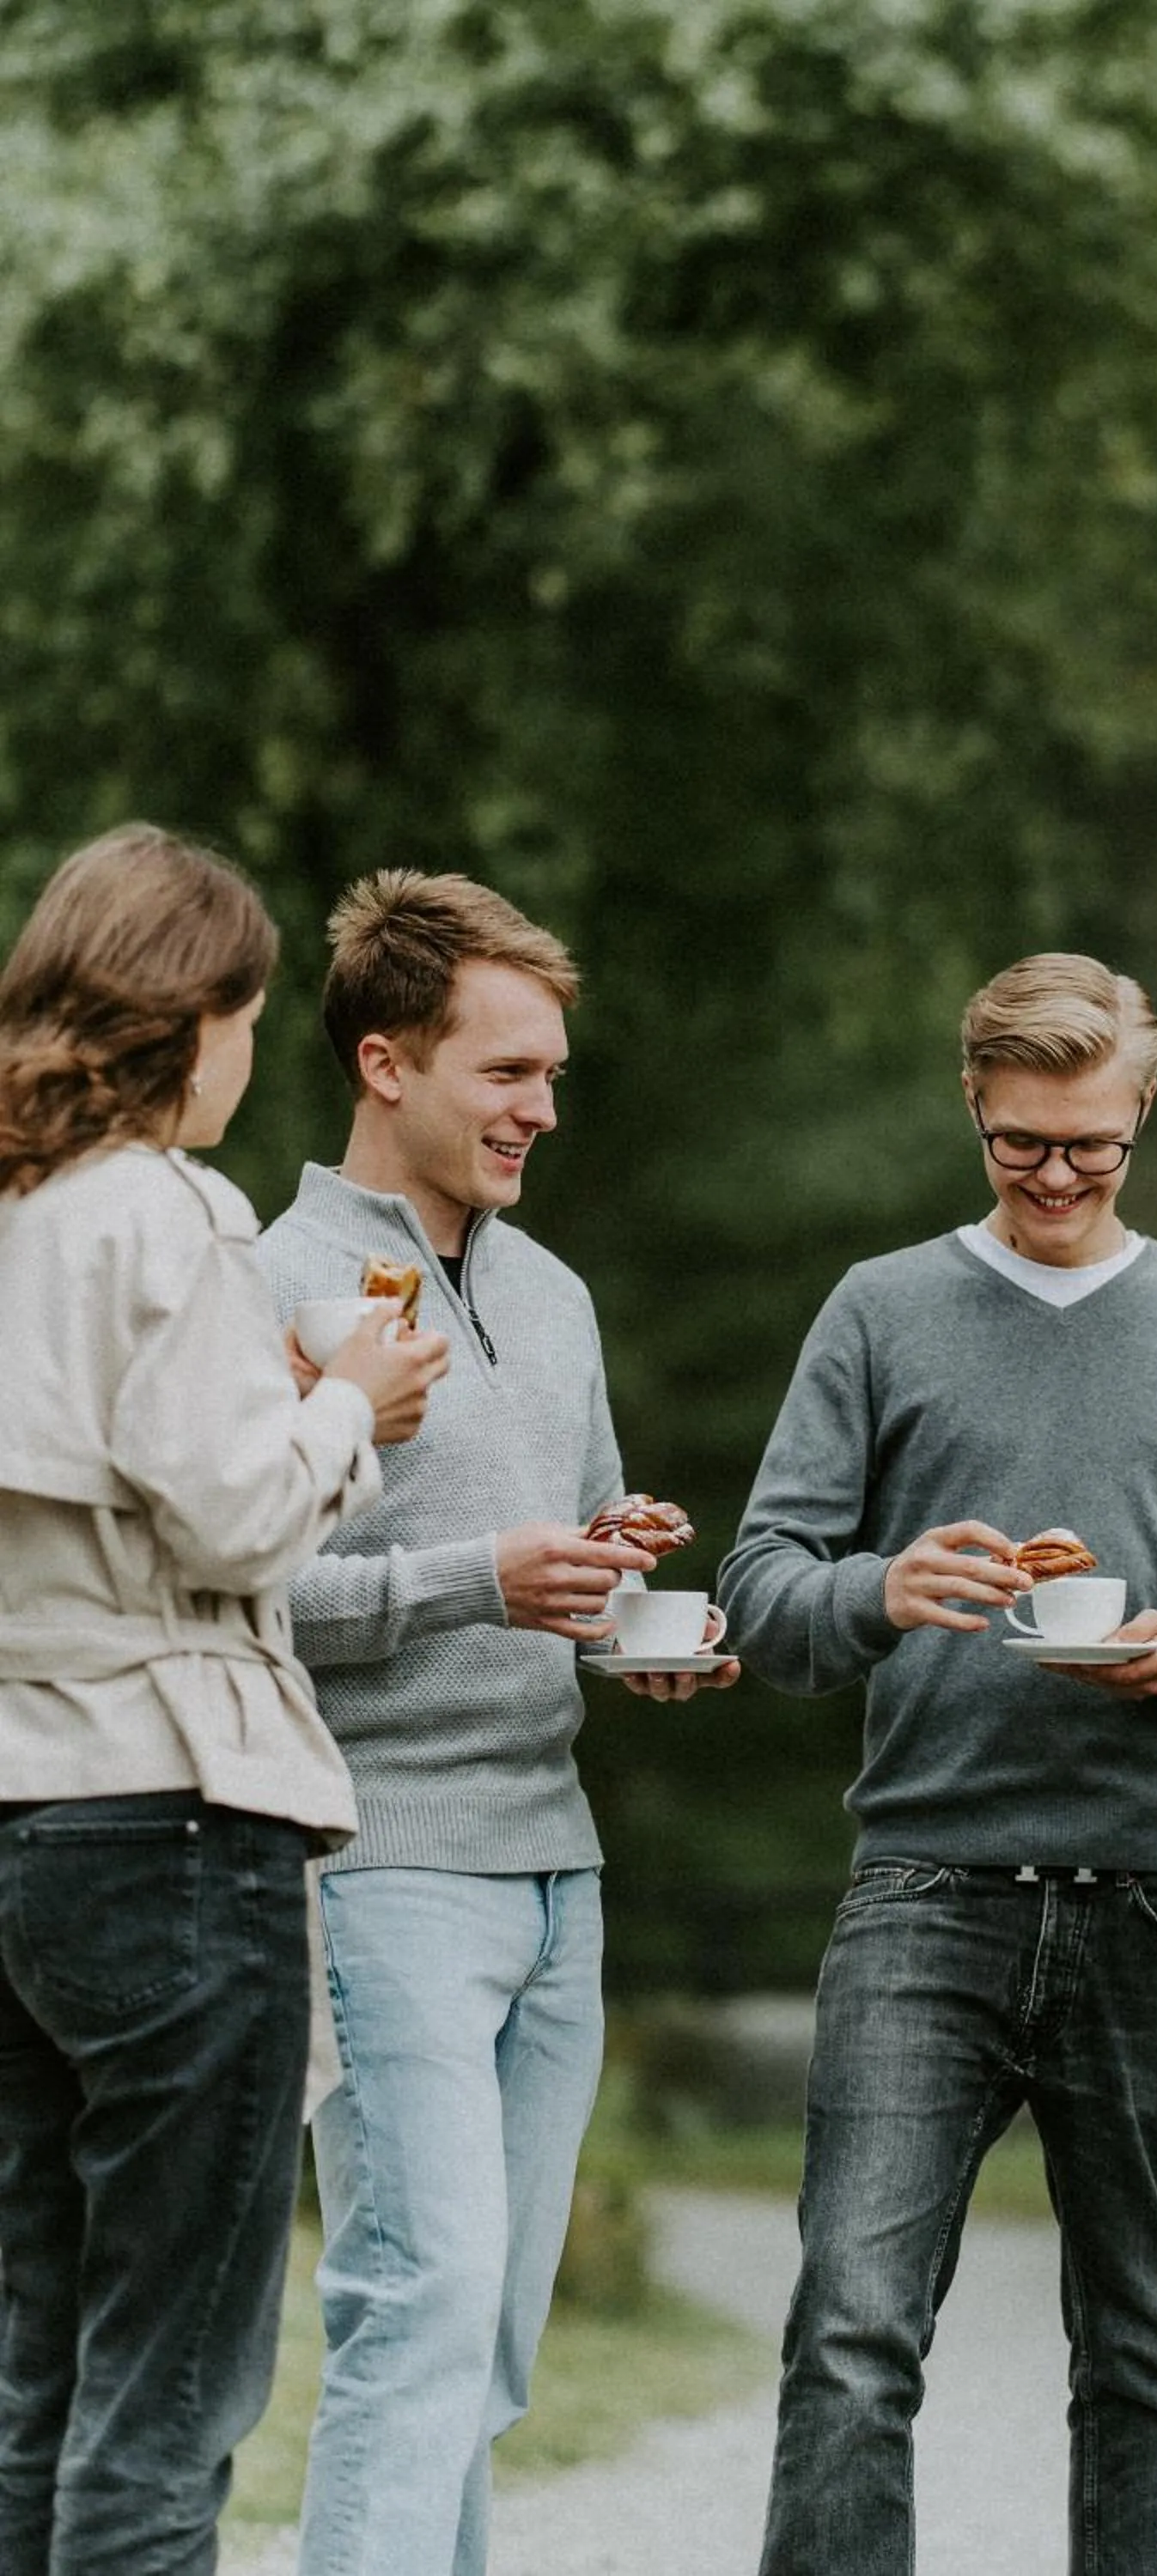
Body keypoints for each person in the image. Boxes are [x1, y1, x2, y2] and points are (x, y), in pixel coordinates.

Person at [718, 951, 1157, 2576]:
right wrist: (883, 1587)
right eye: (1019, 1145)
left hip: (1154, 1895)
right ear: (973, 1109)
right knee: (850, 2340)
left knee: (1144, 2354)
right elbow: (760, 1597)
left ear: (1140, 1109)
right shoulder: (880, 1308)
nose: (1055, 1177)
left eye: (1090, 1146)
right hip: (926, 1888)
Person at [256, 870, 738, 2576]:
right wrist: (480, 1578)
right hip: (376, 1869)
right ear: (388, 1064)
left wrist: (632, 1624)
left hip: (557, 1875)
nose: (543, 1107)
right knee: (422, 2307)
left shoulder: (553, 1296)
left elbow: (574, 1567)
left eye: (552, 1074)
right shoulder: (271, 1281)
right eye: (507, 1073)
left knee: (488, 2355)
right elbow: (233, 1596)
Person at [0, 824, 447, 2574]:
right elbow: (239, 1514)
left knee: (36, 2348)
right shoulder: (173, 1210)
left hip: (14, 1806)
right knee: (174, 2378)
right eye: (250, 1020)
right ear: (196, 1020)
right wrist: (347, 1406)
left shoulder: (13, 1211)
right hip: (169, 1806)